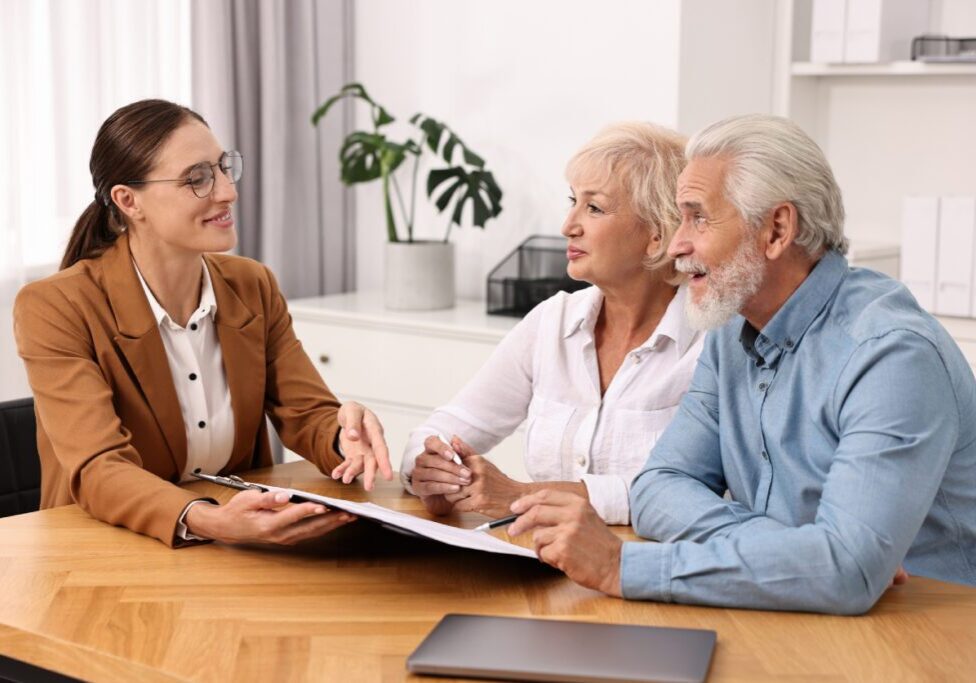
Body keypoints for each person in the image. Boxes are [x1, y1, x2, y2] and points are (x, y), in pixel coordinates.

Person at [507, 113, 976, 614]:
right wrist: (796, 554)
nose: (676, 244)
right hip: (787, 610)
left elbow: (846, 572)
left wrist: (623, 567)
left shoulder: (891, 354)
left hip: (927, 633)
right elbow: (657, 487)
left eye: (697, 217)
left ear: (776, 229)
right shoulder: (730, 331)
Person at [14, 99, 392, 548]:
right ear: (129, 201)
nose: (227, 191)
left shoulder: (252, 285)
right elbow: (100, 469)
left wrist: (343, 437)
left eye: (223, 167)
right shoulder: (54, 306)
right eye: (197, 178)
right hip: (102, 551)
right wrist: (212, 521)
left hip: (233, 546)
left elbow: (307, 413)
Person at [401, 122, 704, 524]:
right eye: (572, 201)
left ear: (658, 234)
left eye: (594, 207)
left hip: (647, 567)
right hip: (537, 562)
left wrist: (525, 495)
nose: (568, 226)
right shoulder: (552, 321)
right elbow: (447, 427)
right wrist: (433, 469)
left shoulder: (711, 343)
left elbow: (692, 491)